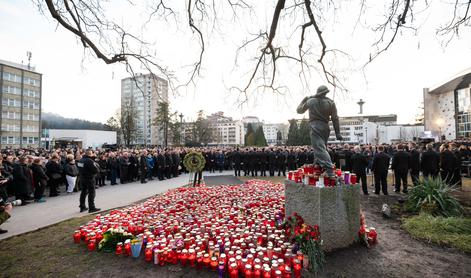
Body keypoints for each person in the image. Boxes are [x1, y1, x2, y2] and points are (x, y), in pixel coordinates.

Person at [296, 85, 343, 176]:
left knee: (319, 148)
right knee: (321, 147)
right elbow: (335, 118)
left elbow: (299, 110)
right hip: (325, 127)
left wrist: (304, 100)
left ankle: (329, 170)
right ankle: (318, 165)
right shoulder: (331, 103)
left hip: (315, 126)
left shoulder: (311, 101)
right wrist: (337, 133)